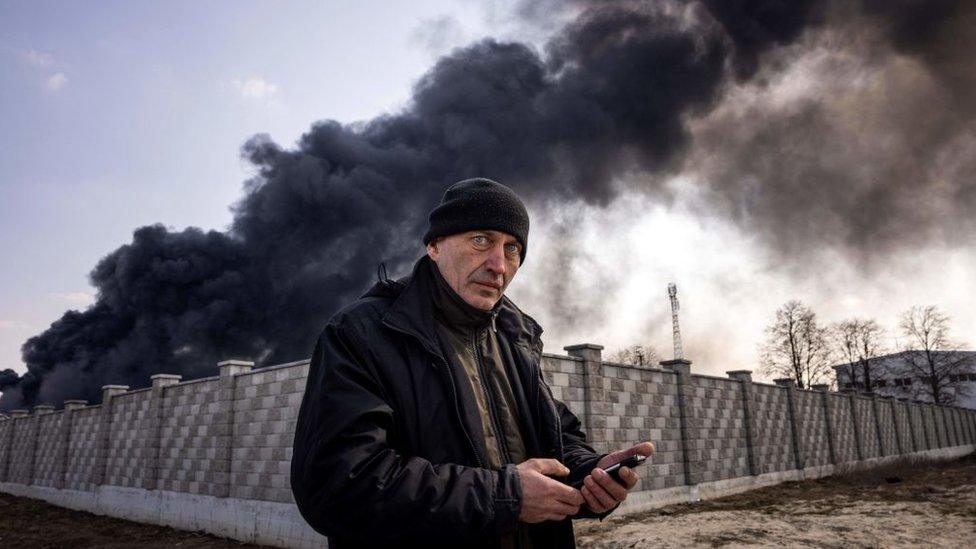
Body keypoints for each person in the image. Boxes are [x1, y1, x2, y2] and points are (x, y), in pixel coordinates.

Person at [291, 178, 654, 548]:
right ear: (434, 245)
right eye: (481, 240)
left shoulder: (517, 338)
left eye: (512, 248)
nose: (498, 265)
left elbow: (557, 440)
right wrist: (506, 497)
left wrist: (589, 475)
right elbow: (337, 485)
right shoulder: (362, 334)